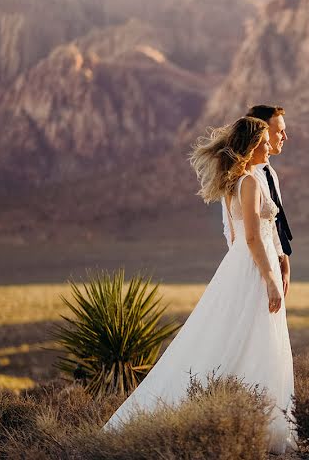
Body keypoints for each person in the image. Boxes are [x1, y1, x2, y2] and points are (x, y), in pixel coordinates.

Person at [103, 116, 297, 454]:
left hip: (242, 267)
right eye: (264, 142)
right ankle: (261, 427)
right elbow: (251, 238)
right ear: (251, 147)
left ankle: (252, 422)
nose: (269, 147)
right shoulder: (249, 182)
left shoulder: (237, 181)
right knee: (258, 340)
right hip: (253, 268)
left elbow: (236, 238)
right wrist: (269, 279)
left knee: (248, 339)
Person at [244, 105, 293, 298]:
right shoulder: (244, 178)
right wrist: (262, 275)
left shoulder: (269, 173)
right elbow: (234, 232)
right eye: (280, 131)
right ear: (261, 131)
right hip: (254, 270)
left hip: (274, 263)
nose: (285, 137)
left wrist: (284, 263)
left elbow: (276, 223)